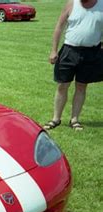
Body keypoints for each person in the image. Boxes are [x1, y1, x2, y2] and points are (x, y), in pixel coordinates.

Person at [44, 0, 103, 131]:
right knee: (62, 85)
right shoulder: (71, 4)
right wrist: (54, 50)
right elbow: (59, 26)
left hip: (91, 53)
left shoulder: (101, 6)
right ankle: (55, 119)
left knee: (81, 86)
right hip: (69, 50)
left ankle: (74, 119)